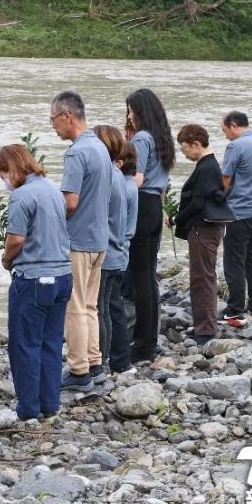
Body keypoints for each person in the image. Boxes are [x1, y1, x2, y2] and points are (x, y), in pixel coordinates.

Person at [0, 144, 72, 420]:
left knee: (25, 344)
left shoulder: (22, 196)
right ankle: (50, 405)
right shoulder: (53, 189)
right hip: (62, 275)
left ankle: (28, 409)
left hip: (34, 278)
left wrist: (6, 260)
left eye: (3, 173)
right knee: (51, 343)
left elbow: (16, 238)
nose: (3, 180)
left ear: (14, 168)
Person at [50, 91, 112, 392]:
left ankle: (78, 371)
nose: (53, 127)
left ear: (67, 116)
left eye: (53, 120)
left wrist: (47, 215)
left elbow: (70, 202)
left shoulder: (76, 152)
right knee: (90, 305)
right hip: (100, 238)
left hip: (78, 240)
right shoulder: (100, 147)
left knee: (74, 308)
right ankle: (94, 362)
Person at [125, 88, 175, 362]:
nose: (130, 116)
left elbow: (138, 178)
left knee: (140, 276)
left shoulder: (142, 139)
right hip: (156, 205)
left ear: (141, 111)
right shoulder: (162, 138)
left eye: (132, 110)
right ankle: (149, 339)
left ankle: (143, 343)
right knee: (149, 275)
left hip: (142, 205)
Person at [171, 125, 230, 346]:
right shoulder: (209, 165)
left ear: (196, 144)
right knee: (204, 276)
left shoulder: (206, 167)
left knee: (202, 278)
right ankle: (203, 324)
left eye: (184, 147)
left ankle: (205, 329)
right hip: (206, 229)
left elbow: (198, 202)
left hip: (203, 229)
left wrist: (178, 218)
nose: (183, 152)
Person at [92, 125, 137, 375]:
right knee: (109, 308)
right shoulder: (119, 176)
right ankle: (112, 360)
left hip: (107, 252)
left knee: (103, 309)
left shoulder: (108, 175)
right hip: (117, 251)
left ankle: (104, 360)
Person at [219, 111, 252, 328]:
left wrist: (213, 201)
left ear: (233, 125)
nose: (225, 136)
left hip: (239, 213)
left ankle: (235, 311)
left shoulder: (236, 146)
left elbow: (225, 180)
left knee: (234, 262)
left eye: (224, 131)